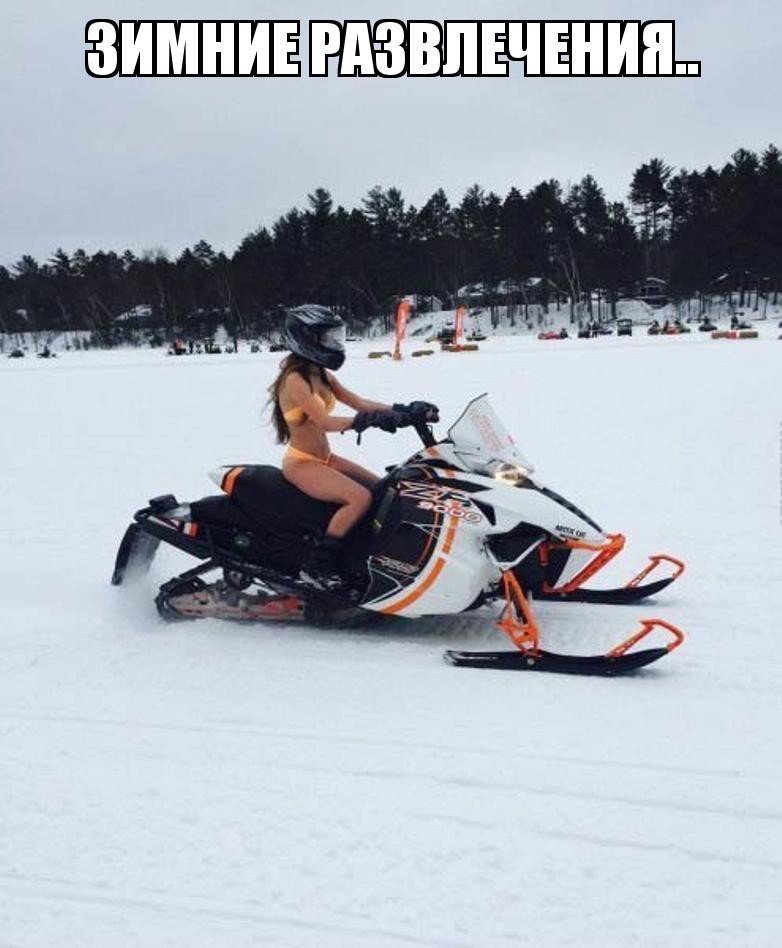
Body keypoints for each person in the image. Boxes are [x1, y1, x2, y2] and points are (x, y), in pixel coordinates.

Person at [268, 305, 437, 590]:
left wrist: (403, 411)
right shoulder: (295, 380)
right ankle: (318, 566)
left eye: (337, 337)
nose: (335, 344)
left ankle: (363, 555)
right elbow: (324, 422)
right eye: (328, 338)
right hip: (301, 463)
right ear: (306, 340)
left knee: (384, 490)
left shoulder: (321, 375)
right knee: (359, 498)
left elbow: (359, 403)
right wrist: (366, 422)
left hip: (325, 458)